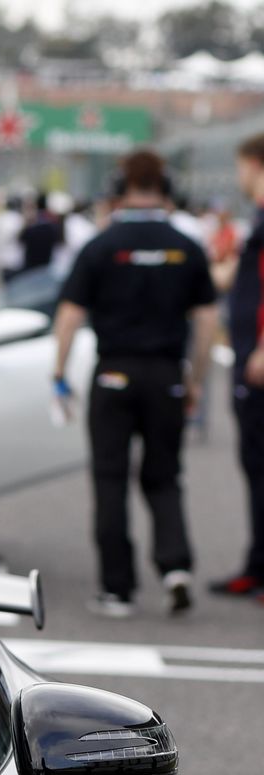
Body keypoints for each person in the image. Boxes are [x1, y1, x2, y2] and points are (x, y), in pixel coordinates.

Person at [51, 148, 218, 618]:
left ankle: (117, 589)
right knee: (165, 476)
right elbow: (207, 322)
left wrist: (58, 372)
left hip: (113, 373)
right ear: (167, 189)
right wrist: (195, 379)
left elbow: (69, 315)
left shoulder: (101, 245)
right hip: (165, 375)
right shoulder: (186, 246)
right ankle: (175, 567)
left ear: (117, 189)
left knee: (110, 478)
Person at [212, 132, 264, 599]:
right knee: (254, 464)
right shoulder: (255, 220)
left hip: (257, 361)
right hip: (246, 355)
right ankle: (256, 564)